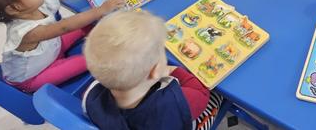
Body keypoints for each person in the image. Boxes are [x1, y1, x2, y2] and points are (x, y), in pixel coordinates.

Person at [83, 10, 222, 130]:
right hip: (175, 120)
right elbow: (201, 92)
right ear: (155, 70)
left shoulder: (91, 96)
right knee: (216, 93)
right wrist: (172, 70)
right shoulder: (176, 102)